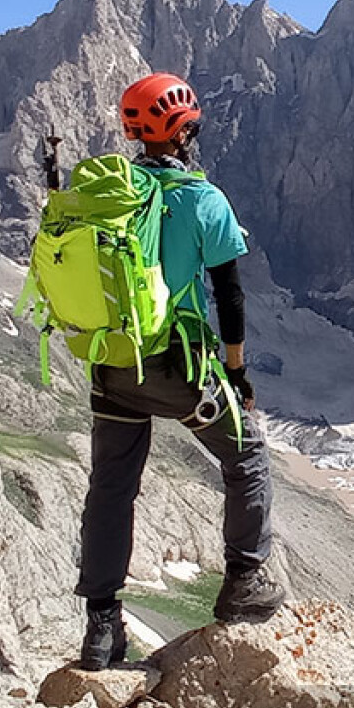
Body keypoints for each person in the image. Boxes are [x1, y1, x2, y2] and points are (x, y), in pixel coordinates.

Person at [75, 72, 284, 671]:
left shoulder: (112, 194)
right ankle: (243, 581)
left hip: (113, 363)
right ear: (185, 130)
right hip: (178, 367)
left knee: (111, 488)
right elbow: (231, 297)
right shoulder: (203, 199)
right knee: (245, 456)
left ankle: (100, 630)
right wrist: (237, 374)